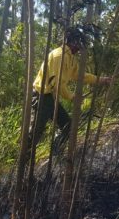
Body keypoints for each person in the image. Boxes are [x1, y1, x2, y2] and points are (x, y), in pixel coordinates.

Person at [29, 27, 111, 155]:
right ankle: (24, 161)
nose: (80, 47)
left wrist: (101, 80)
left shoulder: (70, 57)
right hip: (40, 97)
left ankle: (55, 153)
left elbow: (79, 75)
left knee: (68, 127)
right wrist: (72, 97)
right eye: (79, 43)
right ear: (73, 42)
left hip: (50, 97)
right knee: (35, 134)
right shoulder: (59, 56)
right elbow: (57, 84)